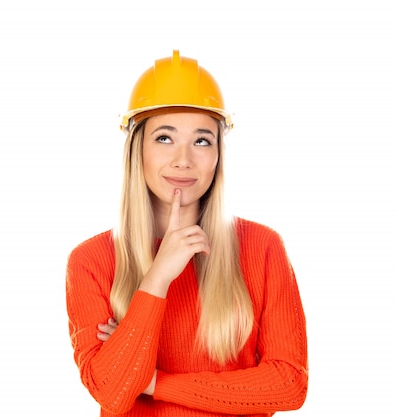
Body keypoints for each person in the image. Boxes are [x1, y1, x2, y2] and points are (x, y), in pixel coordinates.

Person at [66, 50, 308, 416]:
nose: (183, 159)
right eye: (164, 138)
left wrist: (153, 383)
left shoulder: (263, 247)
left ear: (217, 155)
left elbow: (289, 384)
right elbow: (112, 392)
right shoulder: (91, 261)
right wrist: (158, 277)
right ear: (138, 149)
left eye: (201, 141)